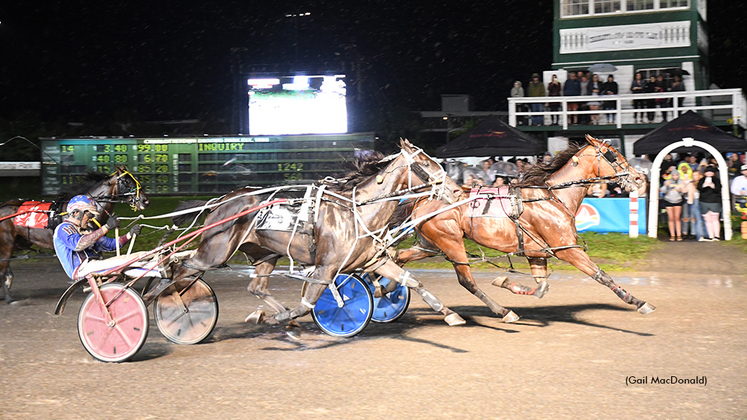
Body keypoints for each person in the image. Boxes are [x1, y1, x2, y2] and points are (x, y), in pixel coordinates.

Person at [53, 195, 142, 281]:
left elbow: (110, 245)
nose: (91, 219)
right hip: (81, 269)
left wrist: (130, 234)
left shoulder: (87, 231)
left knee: (138, 257)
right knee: (128, 261)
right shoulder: (63, 228)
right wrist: (106, 227)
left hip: (93, 264)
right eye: (90, 215)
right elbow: (78, 245)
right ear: (76, 213)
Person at [697, 166, 722, 241]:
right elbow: (699, 188)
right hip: (704, 201)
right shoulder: (702, 180)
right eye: (707, 172)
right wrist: (704, 185)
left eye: (711, 172)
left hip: (714, 201)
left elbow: (718, 189)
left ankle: (717, 235)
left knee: (715, 218)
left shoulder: (716, 180)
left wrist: (712, 186)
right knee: (707, 219)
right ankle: (711, 235)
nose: (709, 173)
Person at [660, 170, 686, 241]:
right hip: (668, 200)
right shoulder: (667, 181)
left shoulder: (681, 182)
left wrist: (681, 190)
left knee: (677, 218)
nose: (675, 176)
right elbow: (662, 191)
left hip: (678, 200)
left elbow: (685, 191)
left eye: (676, 175)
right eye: (673, 175)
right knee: (671, 218)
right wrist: (666, 185)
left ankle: (679, 235)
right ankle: (672, 235)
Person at [685, 171, 706, 241]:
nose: (695, 177)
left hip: (704, 200)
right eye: (693, 175)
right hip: (695, 200)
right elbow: (684, 190)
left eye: (696, 175)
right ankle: (697, 234)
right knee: (695, 217)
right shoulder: (691, 183)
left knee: (703, 217)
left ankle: (705, 233)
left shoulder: (704, 181)